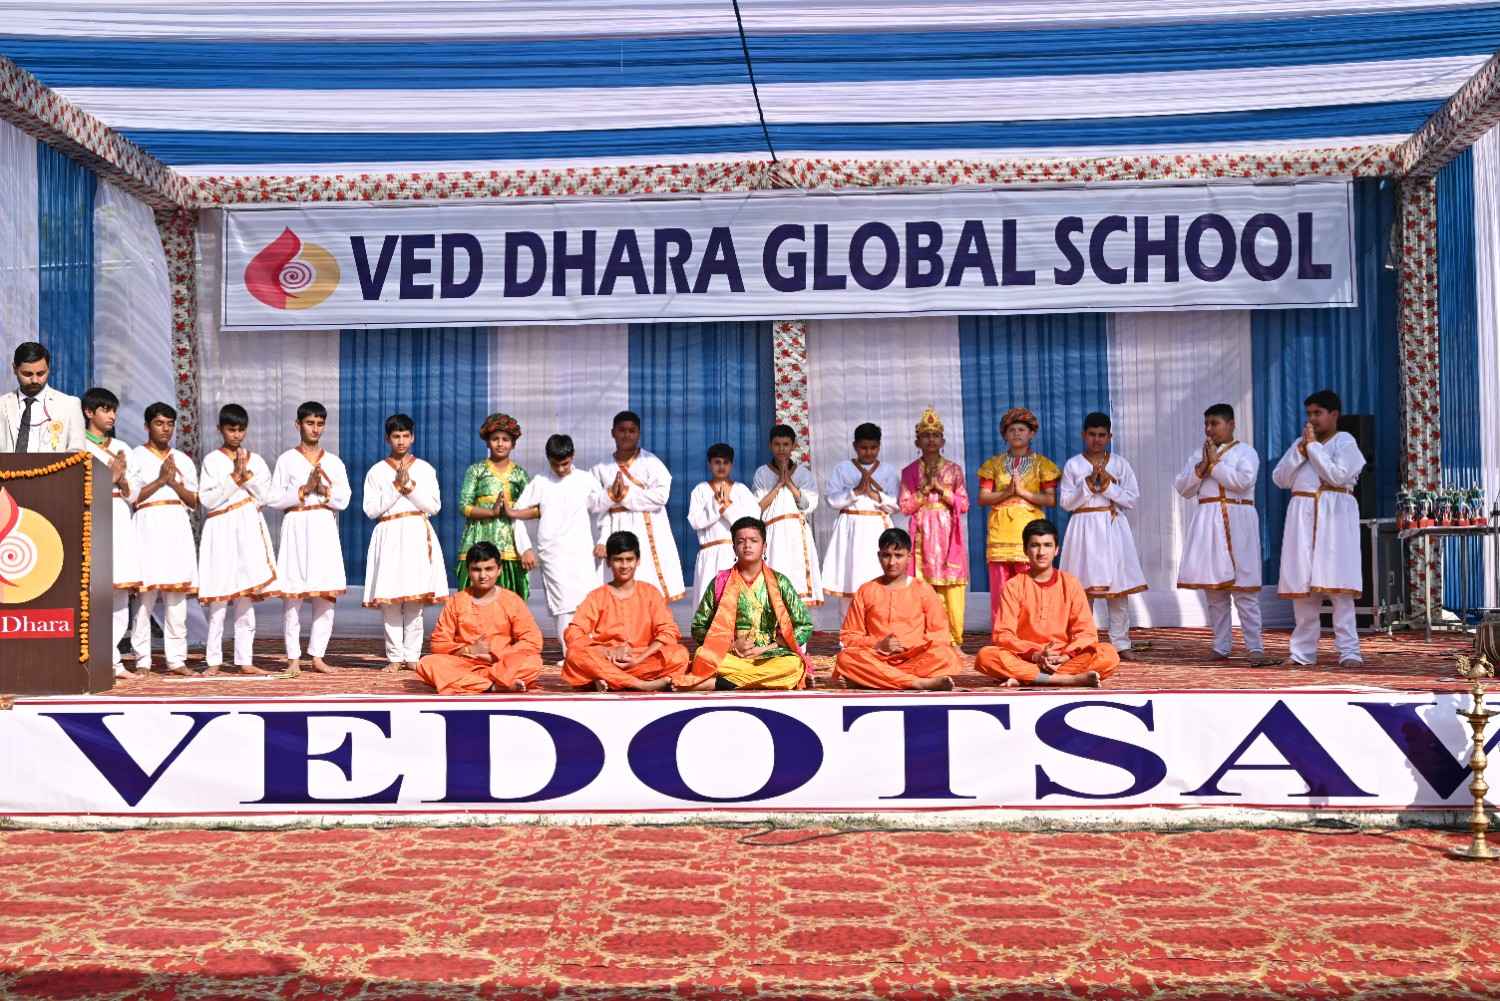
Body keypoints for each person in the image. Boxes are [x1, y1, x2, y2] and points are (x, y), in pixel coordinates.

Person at [1272, 389, 1366, 667]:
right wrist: (1300, 451)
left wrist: (1313, 448)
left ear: (1334, 414)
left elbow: (1337, 475)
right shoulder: (1300, 444)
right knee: (1303, 591)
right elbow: (1280, 479)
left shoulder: (1345, 441)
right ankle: (1302, 653)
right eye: (1309, 414)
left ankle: (1349, 652)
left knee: (1339, 590)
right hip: (1302, 519)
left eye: (1318, 413)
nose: (1312, 419)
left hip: (1334, 518)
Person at [1172, 403, 1271, 664]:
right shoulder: (1198, 454)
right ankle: (1221, 645)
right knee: (1215, 592)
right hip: (1209, 523)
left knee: (1245, 590)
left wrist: (1215, 466)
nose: (1209, 429)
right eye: (1206, 424)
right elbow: (1183, 488)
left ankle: (1255, 647)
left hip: (1239, 521)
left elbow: (1242, 482)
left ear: (1231, 424)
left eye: (1214, 423)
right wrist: (1201, 467)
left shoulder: (1246, 452)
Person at [974, 518, 1119, 687]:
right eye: (1035, 545)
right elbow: (1003, 634)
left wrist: (1065, 656)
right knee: (986, 656)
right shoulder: (1014, 585)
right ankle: (1066, 680)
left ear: (1056, 550)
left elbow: (1086, 633)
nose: (1041, 552)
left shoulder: (1070, 583)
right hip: (1027, 658)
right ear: (1025, 550)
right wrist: (1036, 655)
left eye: (1047, 545)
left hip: (1064, 658)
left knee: (1108, 654)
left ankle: (1028, 678)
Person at [678, 516, 814, 691]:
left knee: (793, 664)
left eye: (753, 541)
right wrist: (731, 646)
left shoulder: (780, 582)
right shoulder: (720, 582)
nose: (747, 545)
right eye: (741, 541)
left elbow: (804, 626)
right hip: (730, 655)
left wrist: (767, 648)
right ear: (734, 548)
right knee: (701, 656)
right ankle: (759, 680)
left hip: (769, 654)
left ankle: (718, 683)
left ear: (764, 546)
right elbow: (698, 627)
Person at [506, 433, 609, 661]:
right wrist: (525, 548)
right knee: (562, 605)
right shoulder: (540, 482)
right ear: (548, 459)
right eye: (556, 464)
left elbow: (604, 510)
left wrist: (603, 540)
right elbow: (515, 515)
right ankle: (571, 656)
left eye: (565, 463)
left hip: (582, 551)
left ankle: (589, 654)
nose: (561, 469)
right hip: (552, 553)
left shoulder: (586, 479)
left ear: (573, 456)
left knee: (586, 603)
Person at [267, 401, 351, 675]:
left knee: (326, 594)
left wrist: (324, 491)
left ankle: (317, 656)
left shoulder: (333, 462)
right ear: (298, 425)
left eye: (319, 424)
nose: (315, 429)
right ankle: (293, 658)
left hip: (323, 527)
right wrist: (303, 490)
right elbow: (274, 498)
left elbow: (344, 499)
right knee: (293, 596)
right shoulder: (287, 460)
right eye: (310, 423)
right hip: (296, 526)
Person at [362, 413, 448, 672]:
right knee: (390, 600)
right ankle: (394, 657)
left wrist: (409, 487)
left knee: (414, 601)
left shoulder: (425, 469)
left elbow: (433, 506)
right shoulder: (377, 471)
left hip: (415, 533)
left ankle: (412, 656)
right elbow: (370, 510)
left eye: (405, 436)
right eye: (396, 436)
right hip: (389, 533)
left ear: (413, 437)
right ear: (387, 439)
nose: (401, 441)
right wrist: (395, 488)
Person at [1057, 412, 1147, 658]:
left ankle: (1121, 644)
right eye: (1092, 434)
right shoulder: (1074, 465)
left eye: (1101, 435)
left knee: (1117, 590)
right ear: (1083, 435)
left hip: (1112, 526)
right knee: (1082, 589)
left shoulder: (1120, 464)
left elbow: (1131, 499)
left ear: (1110, 436)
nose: (1096, 440)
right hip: (1083, 528)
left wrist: (1108, 486)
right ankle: (1082, 642)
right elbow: (1066, 502)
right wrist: (1087, 485)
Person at [197, 404, 278, 675]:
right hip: (221, 529)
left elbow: (266, 496)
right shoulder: (212, 460)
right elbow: (207, 499)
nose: (236, 435)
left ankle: (245, 660)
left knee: (245, 599)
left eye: (241, 430)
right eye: (231, 429)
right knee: (219, 599)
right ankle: (214, 661)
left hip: (247, 529)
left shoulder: (256, 461)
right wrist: (234, 478)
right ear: (220, 429)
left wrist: (247, 477)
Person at [833, 528, 962, 691]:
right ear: (879, 556)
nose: (892, 562)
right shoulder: (866, 590)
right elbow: (849, 636)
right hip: (877, 658)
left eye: (898, 556)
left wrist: (910, 645)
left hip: (914, 659)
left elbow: (940, 634)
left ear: (909, 557)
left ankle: (875, 679)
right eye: (886, 555)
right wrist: (878, 645)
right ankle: (917, 683)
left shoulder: (923, 589)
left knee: (946, 655)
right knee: (846, 658)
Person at [561, 531, 691, 691]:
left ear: (638, 561)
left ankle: (608, 679)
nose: (624, 566)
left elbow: (668, 632)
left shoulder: (650, 593)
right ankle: (639, 684)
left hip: (642, 658)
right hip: (608, 660)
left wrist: (639, 658)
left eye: (629, 559)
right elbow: (573, 633)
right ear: (608, 562)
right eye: (618, 560)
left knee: (680, 654)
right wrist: (607, 651)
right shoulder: (597, 596)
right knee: (574, 655)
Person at [414, 541, 544, 694]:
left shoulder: (512, 600)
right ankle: (493, 685)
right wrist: (468, 649)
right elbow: (438, 644)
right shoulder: (456, 601)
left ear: (499, 570)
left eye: (489, 569)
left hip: (501, 663)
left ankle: (473, 683)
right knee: (427, 663)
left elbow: (532, 640)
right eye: (476, 570)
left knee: (533, 662)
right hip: (465, 664)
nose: (483, 576)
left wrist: (495, 655)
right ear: (468, 571)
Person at [127, 402, 198, 675]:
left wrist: (173, 482)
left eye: (170, 424)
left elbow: (194, 500)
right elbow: (132, 497)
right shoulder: (135, 456)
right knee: (144, 599)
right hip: (147, 526)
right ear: (147, 426)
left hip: (176, 525)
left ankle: (176, 660)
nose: (165, 429)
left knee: (176, 600)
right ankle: (142, 660)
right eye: (159, 423)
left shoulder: (183, 460)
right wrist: (160, 480)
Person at [590, 410, 685, 602]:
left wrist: (625, 495)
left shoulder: (651, 462)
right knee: (617, 588)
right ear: (613, 432)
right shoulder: (600, 468)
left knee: (648, 582)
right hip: (615, 530)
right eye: (622, 430)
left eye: (632, 431)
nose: (626, 435)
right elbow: (592, 503)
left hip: (648, 529)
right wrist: (610, 495)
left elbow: (661, 496)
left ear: (639, 433)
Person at [977, 407, 1060, 620]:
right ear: (1005, 435)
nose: (1016, 434)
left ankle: (1030, 630)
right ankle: (1001, 633)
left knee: (1029, 585)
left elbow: (1050, 500)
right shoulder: (993, 464)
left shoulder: (1043, 464)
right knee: (1000, 589)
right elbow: (983, 498)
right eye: (1011, 430)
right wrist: (1007, 493)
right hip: (1000, 533)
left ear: (1031, 433)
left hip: (1030, 532)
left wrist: (1023, 492)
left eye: (1021, 429)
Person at [81, 387, 141, 679]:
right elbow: (79, 486)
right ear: (89, 412)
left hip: (120, 515)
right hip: (94, 516)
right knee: (95, 591)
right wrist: (112, 476)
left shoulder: (122, 447)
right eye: (105, 409)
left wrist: (123, 478)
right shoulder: (78, 446)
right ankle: (92, 657)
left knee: (120, 592)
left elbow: (136, 493)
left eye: (114, 410)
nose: (112, 416)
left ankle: (113, 659)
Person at [899, 408, 969, 645]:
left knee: (951, 586)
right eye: (926, 435)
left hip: (948, 535)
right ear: (917, 442)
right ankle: (925, 637)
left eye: (935, 435)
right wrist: (924, 493)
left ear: (943, 441)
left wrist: (942, 491)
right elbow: (905, 506)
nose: (931, 439)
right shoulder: (909, 472)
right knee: (922, 586)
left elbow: (964, 504)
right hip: (922, 534)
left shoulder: (954, 470)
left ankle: (953, 639)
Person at [821, 422, 901, 620]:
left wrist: (875, 495)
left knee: (878, 577)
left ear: (879, 446)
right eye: (864, 448)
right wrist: (855, 491)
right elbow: (832, 500)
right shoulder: (843, 469)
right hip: (850, 530)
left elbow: (896, 504)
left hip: (877, 529)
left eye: (873, 448)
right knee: (849, 580)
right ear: (855, 446)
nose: (869, 452)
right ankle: (848, 631)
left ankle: (878, 627)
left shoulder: (888, 471)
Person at [456, 412, 534, 594]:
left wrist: (513, 512)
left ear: (513, 443)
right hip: (477, 538)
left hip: (510, 543)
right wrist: (491, 512)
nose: (500, 444)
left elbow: (535, 510)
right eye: (495, 439)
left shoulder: (520, 474)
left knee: (509, 597)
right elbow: (464, 506)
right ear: (487, 442)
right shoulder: (476, 470)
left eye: (505, 439)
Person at [752, 424, 823, 606]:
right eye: (777, 444)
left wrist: (789, 483)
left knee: (798, 581)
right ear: (770, 445)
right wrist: (778, 485)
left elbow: (808, 505)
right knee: (774, 576)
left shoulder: (803, 474)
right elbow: (757, 507)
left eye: (786, 444)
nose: (781, 449)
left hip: (797, 534)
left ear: (793, 446)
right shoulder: (762, 473)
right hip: (773, 532)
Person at [686, 442, 759, 606]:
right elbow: (695, 521)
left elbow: (752, 522)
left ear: (731, 465)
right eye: (717, 462)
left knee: (735, 602)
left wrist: (726, 507)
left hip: (735, 553)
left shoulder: (741, 490)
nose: (721, 466)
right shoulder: (700, 490)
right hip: (709, 554)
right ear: (709, 464)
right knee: (708, 602)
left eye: (725, 462)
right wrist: (716, 504)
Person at [0, 341, 85, 453]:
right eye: (27, 374)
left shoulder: (69, 405)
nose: (34, 380)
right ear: (15, 369)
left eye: (41, 373)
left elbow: (77, 452)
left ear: (48, 369)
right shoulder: (2, 405)